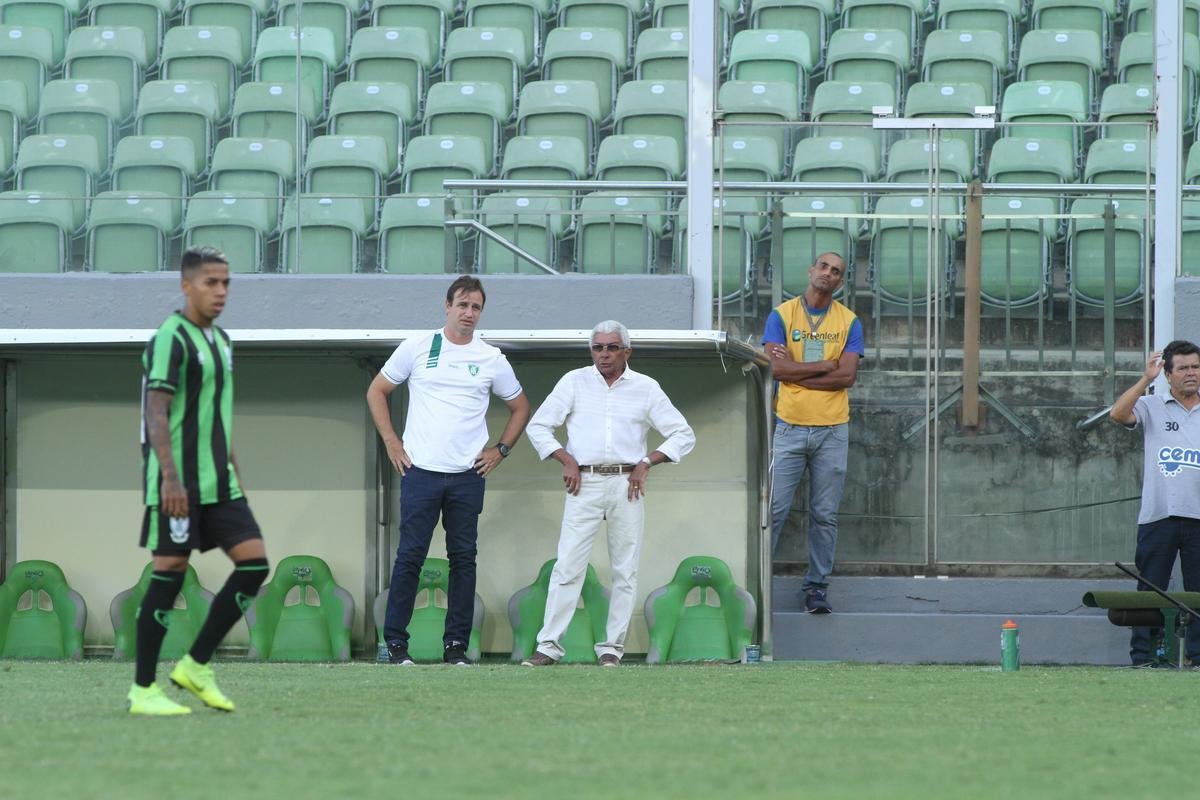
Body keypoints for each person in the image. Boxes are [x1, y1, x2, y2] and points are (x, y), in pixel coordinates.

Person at [128, 246, 270, 716]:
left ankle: (195, 665)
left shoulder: (223, 341)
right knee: (168, 573)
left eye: (227, 282)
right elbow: (156, 411)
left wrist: (238, 475)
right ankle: (143, 689)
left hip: (220, 482)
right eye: (211, 282)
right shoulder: (170, 337)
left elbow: (216, 416)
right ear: (186, 285)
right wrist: (169, 478)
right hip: (179, 484)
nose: (222, 291)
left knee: (254, 564)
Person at [368, 276, 530, 666]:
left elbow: (521, 406)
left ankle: (456, 647)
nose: (469, 313)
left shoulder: (491, 358)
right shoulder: (418, 347)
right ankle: (395, 646)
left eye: (476, 307)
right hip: (420, 472)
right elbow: (377, 391)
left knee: (463, 558)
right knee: (410, 557)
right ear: (447, 306)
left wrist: (501, 450)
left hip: (467, 476)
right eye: (463, 305)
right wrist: (392, 442)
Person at [522, 321, 695, 666]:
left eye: (612, 347)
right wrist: (565, 458)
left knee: (625, 570)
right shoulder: (574, 381)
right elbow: (538, 426)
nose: (604, 354)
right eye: (598, 347)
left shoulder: (646, 388)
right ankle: (548, 647)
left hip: (626, 483)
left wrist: (647, 462)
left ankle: (612, 650)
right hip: (582, 481)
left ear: (627, 351)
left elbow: (683, 434)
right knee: (568, 565)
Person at [763, 252, 864, 614]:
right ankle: (757, 586)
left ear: (840, 281)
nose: (828, 273)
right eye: (823, 266)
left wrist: (797, 370)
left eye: (836, 271)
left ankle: (816, 589)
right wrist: (823, 365)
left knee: (824, 515)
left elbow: (847, 377)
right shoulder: (782, 315)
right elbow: (774, 369)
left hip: (833, 430)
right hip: (789, 427)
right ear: (811, 270)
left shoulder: (849, 322)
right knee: (773, 511)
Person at [1109, 339, 1200, 667]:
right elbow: (1118, 414)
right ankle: (1143, 657)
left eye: (1196, 367)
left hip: (1198, 518)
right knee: (1150, 590)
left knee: (1199, 592)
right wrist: (1146, 379)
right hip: (1158, 516)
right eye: (1184, 368)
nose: (1191, 373)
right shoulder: (1152, 404)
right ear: (1168, 373)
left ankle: (1197, 656)